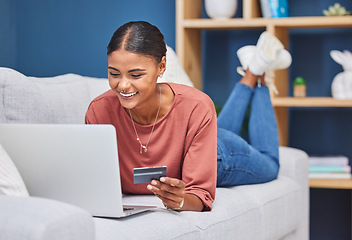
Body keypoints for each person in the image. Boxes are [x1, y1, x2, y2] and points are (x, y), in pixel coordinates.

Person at [85, 21, 291, 212]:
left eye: (135, 75)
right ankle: (252, 69)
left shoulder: (196, 106)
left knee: (271, 165)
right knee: (220, 128)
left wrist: (181, 200)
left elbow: (199, 196)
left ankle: (258, 73)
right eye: (114, 73)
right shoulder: (99, 111)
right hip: (196, 136)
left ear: (162, 67)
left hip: (216, 157)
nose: (122, 85)